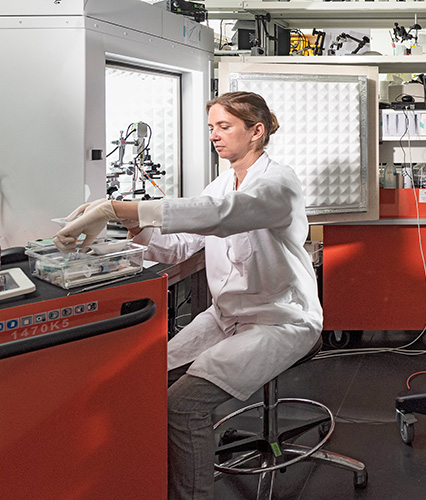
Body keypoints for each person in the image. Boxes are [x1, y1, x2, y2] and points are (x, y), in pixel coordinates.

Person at [53, 91, 322, 500]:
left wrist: (118, 208)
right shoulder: (222, 182)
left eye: (225, 126)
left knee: (183, 406)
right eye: (211, 127)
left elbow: (223, 214)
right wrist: (131, 229)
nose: (214, 135)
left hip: (280, 320)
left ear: (256, 131)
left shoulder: (278, 183)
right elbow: (181, 244)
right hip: (225, 317)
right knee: (146, 377)